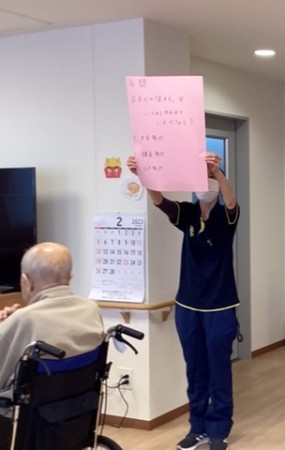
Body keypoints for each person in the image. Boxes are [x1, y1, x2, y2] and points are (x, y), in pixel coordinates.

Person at [127, 153, 239, 450]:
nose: (205, 183)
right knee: (195, 370)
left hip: (220, 306)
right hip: (188, 306)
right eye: (200, 178)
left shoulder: (225, 217)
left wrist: (218, 172)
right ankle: (197, 428)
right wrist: (143, 174)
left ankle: (219, 429)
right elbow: (159, 201)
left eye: (209, 178)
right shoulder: (188, 213)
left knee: (219, 370)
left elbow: (231, 201)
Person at [0, 242, 105, 450]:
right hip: (75, 418)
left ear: (26, 281)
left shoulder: (25, 320)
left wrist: (7, 326)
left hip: (25, 423)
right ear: (70, 277)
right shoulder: (91, 309)